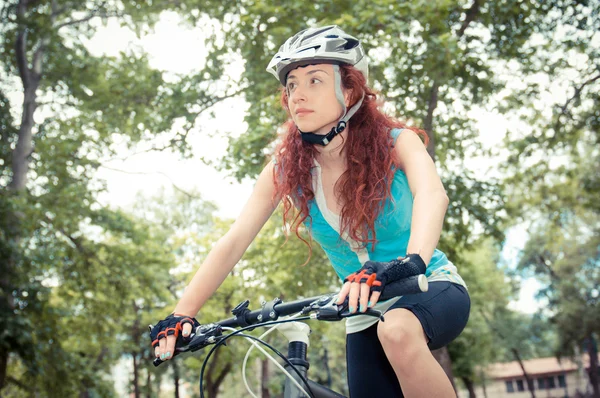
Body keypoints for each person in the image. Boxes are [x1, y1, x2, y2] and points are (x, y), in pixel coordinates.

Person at [150, 25, 471, 397]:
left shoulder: (398, 143)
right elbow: (234, 240)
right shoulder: (286, 169)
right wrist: (181, 314)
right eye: (291, 85)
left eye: (315, 80)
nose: (298, 94)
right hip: (361, 309)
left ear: (349, 89)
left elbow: (433, 194)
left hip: (429, 284)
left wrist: (411, 261)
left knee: (397, 330)